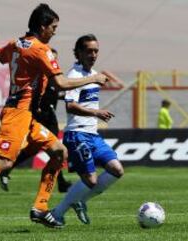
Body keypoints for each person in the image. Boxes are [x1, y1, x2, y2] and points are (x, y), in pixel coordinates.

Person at [0, 4, 108, 233]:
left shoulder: (16, 44)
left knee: (59, 151)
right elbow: (60, 83)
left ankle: (40, 208)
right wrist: (94, 79)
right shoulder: (41, 50)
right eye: (53, 27)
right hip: (17, 113)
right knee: (5, 163)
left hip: (27, 116)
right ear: (42, 27)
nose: (54, 31)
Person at [51, 34, 124, 226]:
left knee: (116, 170)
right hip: (77, 134)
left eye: (96, 51)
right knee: (90, 180)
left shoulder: (94, 75)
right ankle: (57, 213)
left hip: (93, 135)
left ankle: (80, 200)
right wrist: (96, 113)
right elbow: (70, 106)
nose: (93, 55)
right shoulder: (74, 76)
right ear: (79, 53)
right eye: (89, 51)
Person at [0, 48, 72, 193]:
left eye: (54, 59)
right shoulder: (38, 78)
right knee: (54, 152)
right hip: (41, 119)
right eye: (50, 59)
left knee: (41, 151)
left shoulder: (52, 78)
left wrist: (63, 97)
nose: (52, 62)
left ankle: (6, 169)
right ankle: (60, 184)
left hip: (51, 119)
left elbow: (54, 93)